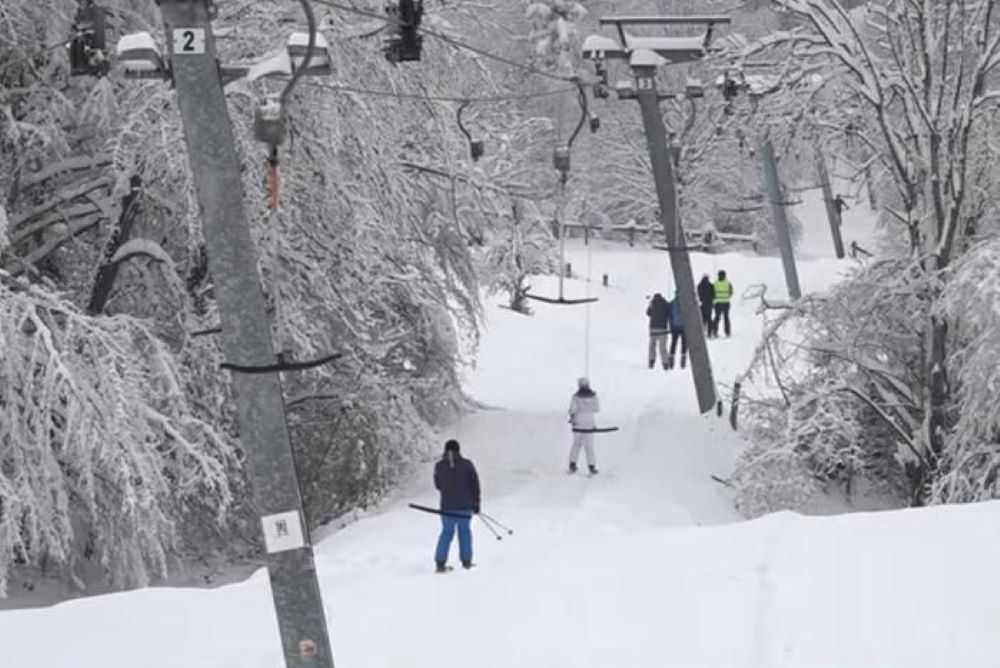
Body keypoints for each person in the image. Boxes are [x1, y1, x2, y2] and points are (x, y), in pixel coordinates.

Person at [433, 439, 480, 573]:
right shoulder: (467, 465)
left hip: (446, 507)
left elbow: (438, 485)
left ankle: (440, 563)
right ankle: (466, 562)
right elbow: (475, 485)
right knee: (464, 532)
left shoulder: (439, 466)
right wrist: (476, 503)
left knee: (446, 533)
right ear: (458, 450)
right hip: (465, 507)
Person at [568, 377, 600, 475]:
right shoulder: (594, 396)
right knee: (589, 446)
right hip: (589, 424)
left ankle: (572, 464)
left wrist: (572, 416)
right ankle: (591, 466)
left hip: (577, 424)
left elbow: (572, 409)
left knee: (576, 444)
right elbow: (597, 409)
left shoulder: (575, 396)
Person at [645, 293, 670, 369]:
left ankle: (651, 361)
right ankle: (665, 363)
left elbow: (648, 313)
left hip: (653, 329)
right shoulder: (665, 303)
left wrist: (650, 305)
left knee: (652, 346)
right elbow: (668, 313)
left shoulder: (652, 303)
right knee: (663, 348)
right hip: (663, 329)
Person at [667, 292, 687, 369]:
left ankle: (671, 359)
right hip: (684, 326)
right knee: (684, 343)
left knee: (673, 343)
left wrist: (671, 325)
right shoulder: (685, 303)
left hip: (675, 326)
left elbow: (669, 316)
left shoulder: (672, 303)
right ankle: (683, 360)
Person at [712, 270, 734, 338]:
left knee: (717, 318)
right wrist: (726, 296)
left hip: (718, 303)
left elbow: (712, 293)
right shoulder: (728, 283)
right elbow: (731, 293)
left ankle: (715, 332)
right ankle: (727, 332)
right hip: (726, 302)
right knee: (726, 318)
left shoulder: (715, 283)